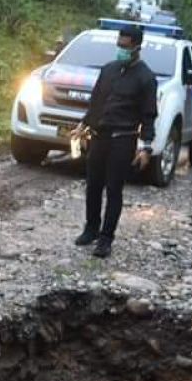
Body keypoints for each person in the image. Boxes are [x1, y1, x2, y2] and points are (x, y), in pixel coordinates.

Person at [69, 23, 158, 259]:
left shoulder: (146, 78)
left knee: (114, 189)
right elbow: (96, 101)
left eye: (125, 46)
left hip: (124, 139)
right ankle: (91, 229)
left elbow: (149, 115)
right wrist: (84, 125)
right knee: (93, 185)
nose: (121, 49)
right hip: (100, 136)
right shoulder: (108, 69)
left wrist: (146, 146)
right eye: (118, 45)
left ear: (137, 47)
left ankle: (106, 238)